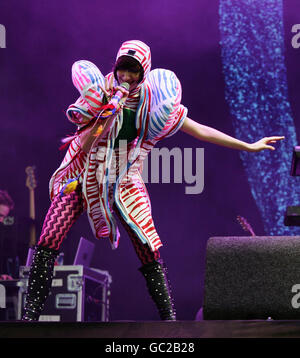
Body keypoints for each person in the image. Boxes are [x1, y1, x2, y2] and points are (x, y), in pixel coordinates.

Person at [21, 40, 284, 321]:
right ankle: (30, 317)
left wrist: (249, 146)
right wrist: (109, 111)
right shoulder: (99, 92)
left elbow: (200, 130)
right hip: (82, 174)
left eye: (133, 72)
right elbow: (85, 144)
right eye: (122, 69)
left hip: (124, 178)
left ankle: (169, 321)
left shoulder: (153, 100)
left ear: (143, 72)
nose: (126, 77)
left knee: (148, 247)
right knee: (49, 237)